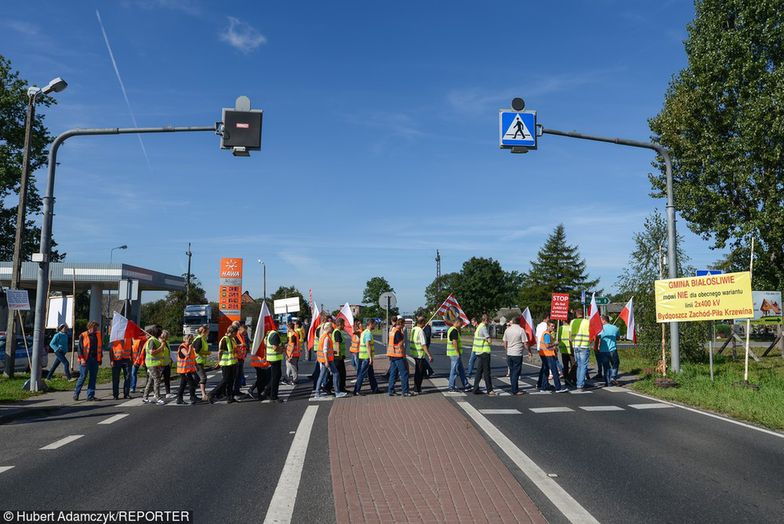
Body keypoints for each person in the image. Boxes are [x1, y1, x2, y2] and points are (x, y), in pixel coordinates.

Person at [208, 325, 239, 404]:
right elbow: (220, 352)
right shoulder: (225, 339)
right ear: (232, 332)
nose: (236, 334)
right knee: (225, 380)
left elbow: (233, 350)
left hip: (232, 363)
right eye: (236, 333)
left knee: (231, 381)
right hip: (226, 363)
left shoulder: (232, 339)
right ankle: (212, 393)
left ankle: (230, 397)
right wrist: (219, 362)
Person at [73, 320, 103, 401]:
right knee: (82, 377)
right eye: (94, 327)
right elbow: (79, 349)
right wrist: (82, 359)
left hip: (95, 359)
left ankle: (90, 396)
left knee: (93, 378)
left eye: (96, 327)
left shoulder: (98, 335)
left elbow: (100, 347)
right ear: (90, 327)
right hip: (85, 359)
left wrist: (100, 359)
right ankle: (76, 393)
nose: (96, 329)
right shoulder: (83, 335)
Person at [316, 323, 347, 398]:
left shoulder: (323, 336)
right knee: (335, 374)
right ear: (328, 328)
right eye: (331, 327)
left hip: (325, 359)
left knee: (322, 375)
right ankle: (337, 392)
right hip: (327, 360)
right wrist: (326, 361)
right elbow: (325, 350)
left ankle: (317, 392)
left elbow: (326, 349)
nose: (332, 328)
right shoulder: (326, 337)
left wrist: (332, 352)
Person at [538, 321, 568, 392]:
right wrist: (555, 344)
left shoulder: (546, 333)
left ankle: (543, 387)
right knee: (554, 371)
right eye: (552, 326)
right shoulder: (547, 334)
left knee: (546, 371)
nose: (553, 328)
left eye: (554, 326)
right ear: (548, 326)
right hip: (548, 355)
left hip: (544, 354)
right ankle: (558, 388)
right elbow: (547, 345)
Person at [471, 314, 495, 395]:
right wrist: (489, 336)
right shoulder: (484, 327)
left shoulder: (479, 327)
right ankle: (489, 390)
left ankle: (475, 388)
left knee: (479, 371)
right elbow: (489, 340)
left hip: (478, 351)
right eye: (488, 320)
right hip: (484, 351)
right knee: (487, 372)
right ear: (486, 320)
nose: (489, 322)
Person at [353, 319, 379, 395]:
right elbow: (368, 345)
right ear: (370, 324)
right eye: (374, 324)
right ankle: (357, 390)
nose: (375, 326)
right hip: (366, 357)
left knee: (371, 374)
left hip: (363, 356)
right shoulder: (368, 333)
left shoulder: (364, 332)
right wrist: (370, 357)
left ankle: (375, 389)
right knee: (362, 374)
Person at [502, 317, 527, 395]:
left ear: (512, 321)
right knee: (516, 372)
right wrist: (529, 351)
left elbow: (504, 342)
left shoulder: (507, 330)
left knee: (512, 371)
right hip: (517, 353)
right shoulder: (521, 330)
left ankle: (513, 387)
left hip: (509, 353)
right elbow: (525, 343)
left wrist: (507, 350)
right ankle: (515, 389)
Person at [386, 317, 410, 396]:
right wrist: (403, 338)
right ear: (401, 324)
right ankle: (405, 391)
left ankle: (391, 390)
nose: (404, 326)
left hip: (392, 354)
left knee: (393, 373)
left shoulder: (392, 330)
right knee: (404, 373)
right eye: (403, 324)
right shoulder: (398, 332)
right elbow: (399, 344)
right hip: (398, 355)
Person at [142, 325, 165, 405]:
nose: (162, 333)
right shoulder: (152, 340)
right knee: (157, 380)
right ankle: (157, 398)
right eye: (161, 332)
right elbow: (152, 352)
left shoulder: (154, 340)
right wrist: (161, 347)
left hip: (153, 363)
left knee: (151, 381)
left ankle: (145, 397)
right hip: (152, 364)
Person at [409, 316, 433, 394]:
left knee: (419, 371)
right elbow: (423, 344)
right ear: (422, 322)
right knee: (419, 373)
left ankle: (417, 388)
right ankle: (417, 389)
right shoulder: (420, 331)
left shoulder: (414, 329)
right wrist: (429, 355)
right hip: (419, 354)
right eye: (424, 322)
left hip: (414, 353)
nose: (425, 324)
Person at [570, 309, 592, 390]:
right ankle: (580, 384)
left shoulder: (572, 322)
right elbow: (592, 333)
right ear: (583, 314)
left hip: (575, 346)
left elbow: (570, 336)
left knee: (579, 365)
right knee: (583, 365)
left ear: (576, 314)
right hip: (584, 345)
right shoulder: (587, 322)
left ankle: (578, 383)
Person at [596, 315, 621, 386]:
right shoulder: (615, 328)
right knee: (615, 363)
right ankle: (613, 376)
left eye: (601, 320)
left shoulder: (600, 329)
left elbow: (597, 337)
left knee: (606, 366)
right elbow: (618, 338)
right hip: (613, 349)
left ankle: (608, 382)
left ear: (604, 320)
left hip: (603, 350)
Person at [446, 319, 470, 392]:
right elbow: (454, 342)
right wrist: (457, 352)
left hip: (454, 353)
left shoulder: (451, 329)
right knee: (454, 370)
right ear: (457, 322)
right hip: (454, 354)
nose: (461, 326)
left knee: (461, 370)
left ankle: (466, 384)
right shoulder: (454, 330)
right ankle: (451, 386)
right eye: (461, 324)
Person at [263, 324, 285, 401]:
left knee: (275, 376)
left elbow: (265, 343)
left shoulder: (270, 334)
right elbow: (275, 347)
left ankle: (267, 391)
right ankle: (273, 396)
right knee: (276, 377)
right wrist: (282, 349)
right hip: (275, 358)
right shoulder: (274, 334)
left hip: (272, 358)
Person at [176, 335, 199, 404]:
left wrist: (196, 365)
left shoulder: (190, 347)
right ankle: (192, 397)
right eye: (188, 340)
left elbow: (192, 357)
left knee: (183, 385)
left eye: (191, 340)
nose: (190, 341)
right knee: (191, 383)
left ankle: (179, 398)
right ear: (184, 340)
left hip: (188, 370)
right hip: (183, 370)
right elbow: (187, 355)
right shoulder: (182, 347)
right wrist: (189, 348)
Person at [248, 331, 271, 401]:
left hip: (260, 362)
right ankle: (260, 394)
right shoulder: (260, 341)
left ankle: (259, 392)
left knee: (262, 378)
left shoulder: (257, 340)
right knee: (262, 378)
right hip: (260, 362)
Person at [109, 335, 132, 400]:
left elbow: (131, 348)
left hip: (127, 359)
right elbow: (110, 349)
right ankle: (115, 395)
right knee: (115, 378)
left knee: (128, 377)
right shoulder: (114, 336)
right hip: (116, 360)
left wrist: (132, 358)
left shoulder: (128, 336)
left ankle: (126, 394)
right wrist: (111, 360)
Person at [332, 318, 349, 395]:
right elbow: (337, 344)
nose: (344, 326)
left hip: (339, 356)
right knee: (340, 373)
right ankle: (338, 388)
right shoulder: (337, 332)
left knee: (341, 373)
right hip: (337, 357)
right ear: (340, 324)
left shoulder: (337, 332)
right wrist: (339, 355)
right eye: (343, 324)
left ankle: (341, 387)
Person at [192, 325, 210, 400]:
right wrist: (206, 353)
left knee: (196, 379)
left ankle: (192, 394)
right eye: (208, 331)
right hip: (197, 361)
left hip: (199, 361)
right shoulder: (199, 339)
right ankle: (203, 395)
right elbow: (197, 350)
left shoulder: (202, 338)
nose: (209, 332)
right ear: (204, 331)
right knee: (203, 378)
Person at [558, 317, 576, 386]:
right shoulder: (570, 328)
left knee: (565, 366)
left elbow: (559, 339)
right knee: (573, 365)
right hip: (571, 350)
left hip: (563, 350)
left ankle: (566, 380)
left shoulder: (560, 328)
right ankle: (573, 379)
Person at [232, 322, 249, 396]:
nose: (245, 333)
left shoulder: (242, 336)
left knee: (239, 376)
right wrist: (241, 345)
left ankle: (237, 390)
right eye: (244, 331)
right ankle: (234, 391)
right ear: (240, 329)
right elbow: (233, 345)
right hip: (236, 358)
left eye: (245, 332)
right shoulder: (235, 336)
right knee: (236, 376)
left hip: (241, 358)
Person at [159, 330, 173, 398]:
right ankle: (156, 393)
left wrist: (170, 360)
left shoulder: (167, 342)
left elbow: (168, 352)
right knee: (157, 380)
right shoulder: (158, 342)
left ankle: (168, 393)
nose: (168, 337)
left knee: (167, 379)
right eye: (167, 336)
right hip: (160, 364)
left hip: (167, 363)